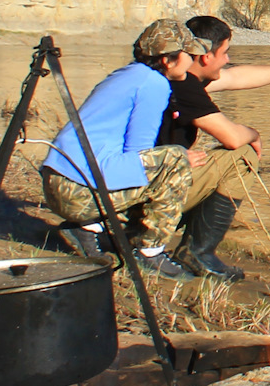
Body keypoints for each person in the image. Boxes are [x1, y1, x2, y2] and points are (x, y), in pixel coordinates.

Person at [161, 15, 270, 280]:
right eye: (225, 52)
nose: (228, 59)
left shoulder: (175, 76)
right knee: (243, 155)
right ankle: (197, 252)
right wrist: (254, 134)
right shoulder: (182, 86)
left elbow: (236, 77)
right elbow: (230, 138)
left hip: (138, 182)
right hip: (149, 192)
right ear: (206, 56)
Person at [40, 18, 210, 279]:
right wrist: (176, 163)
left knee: (161, 161)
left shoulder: (125, 74)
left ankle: (89, 228)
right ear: (168, 59)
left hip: (57, 183)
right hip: (78, 192)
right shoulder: (154, 84)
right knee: (174, 159)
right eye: (189, 54)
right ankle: (149, 250)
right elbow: (138, 153)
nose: (193, 60)